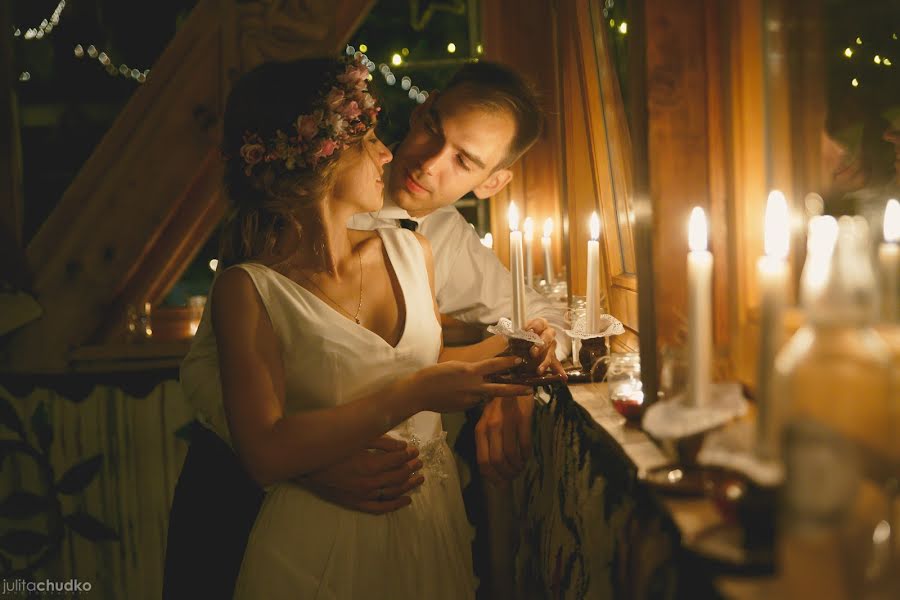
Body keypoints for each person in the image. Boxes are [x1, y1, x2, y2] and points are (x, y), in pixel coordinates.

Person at [166, 56, 533, 599]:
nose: (430, 162)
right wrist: (307, 465)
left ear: (492, 182)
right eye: (434, 129)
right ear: (422, 111)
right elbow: (205, 375)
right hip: (251, 495)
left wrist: (515, 388)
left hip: (410, 508)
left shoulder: (437, 243)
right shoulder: (272, 237)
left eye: (463, 160)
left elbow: (529, 316)